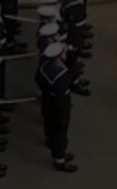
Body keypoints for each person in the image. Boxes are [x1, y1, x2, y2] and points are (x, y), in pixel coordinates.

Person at [35, 42, 77, 172]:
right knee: (61, 129)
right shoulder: (60, 75)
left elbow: (37, 78)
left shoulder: (45, 67)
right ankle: (59, 158)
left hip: (48, 100)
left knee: (50, 124)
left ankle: (53, 145)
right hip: (60, 104)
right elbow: (62, 94)